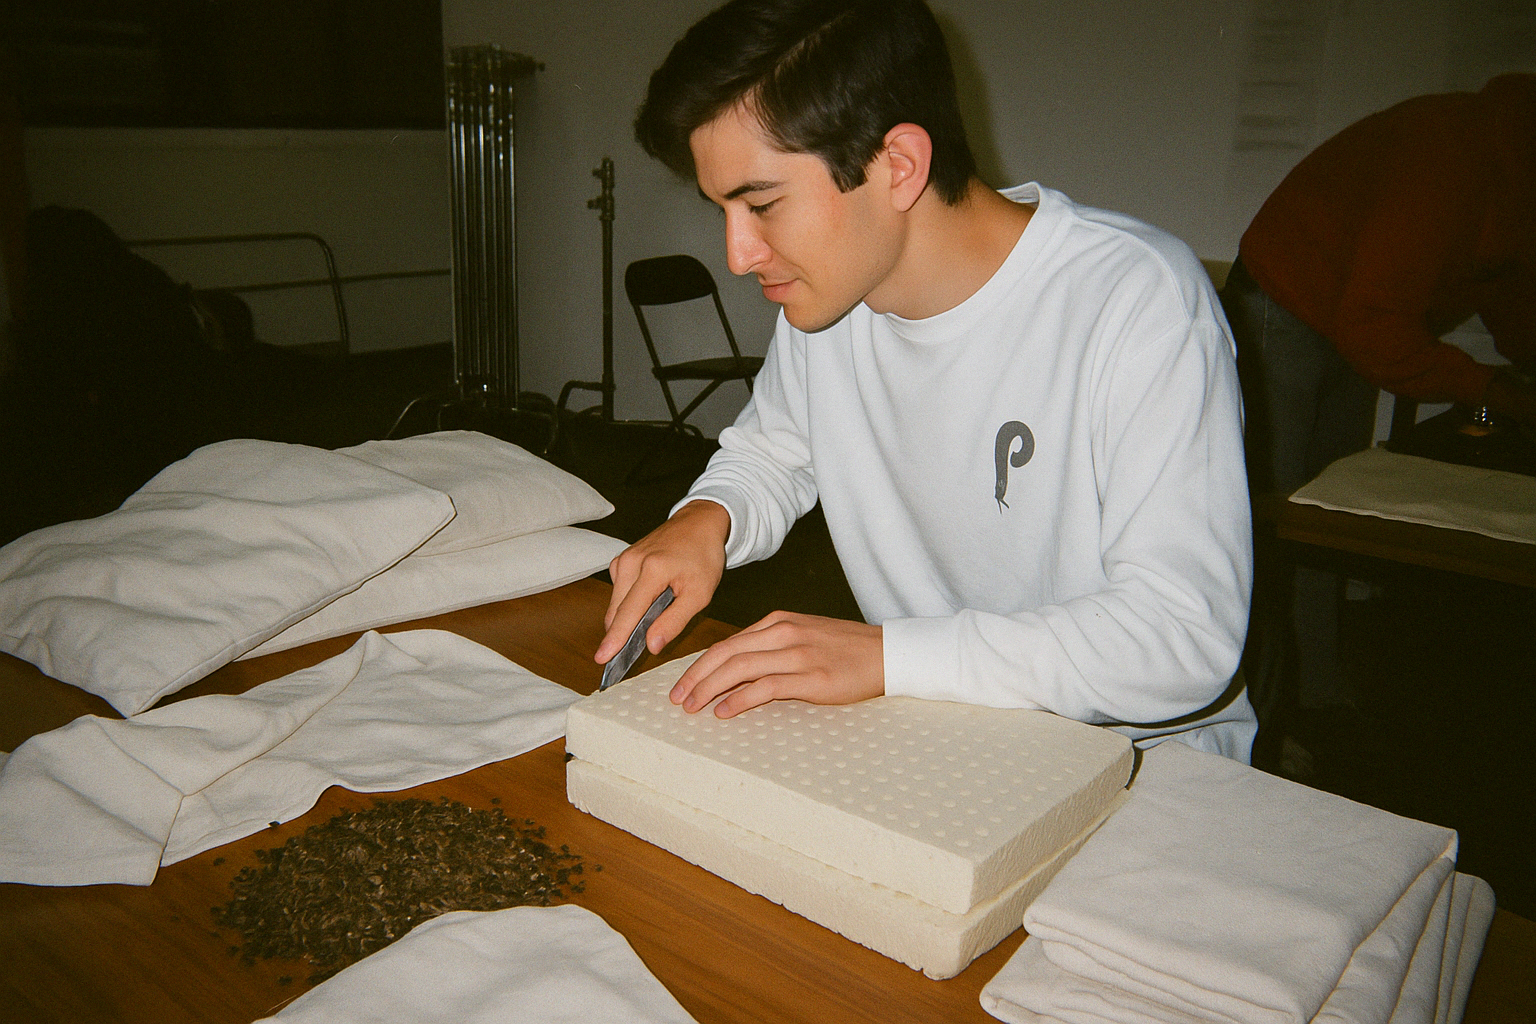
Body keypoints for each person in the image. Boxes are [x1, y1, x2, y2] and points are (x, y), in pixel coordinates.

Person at [598, 0, 1255, 759]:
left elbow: (1183, 639)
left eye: (763, 205)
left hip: (1146, 772)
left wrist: (888, 658)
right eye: (722, 209)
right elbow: (774, 450)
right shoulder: (830, 298)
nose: (738, 254)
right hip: (938, 733)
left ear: (899, 166)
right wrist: (705, 517)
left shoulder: (1136, 300)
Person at [1221, 74, 1536, 723]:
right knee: (1284, 526)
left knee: (1330, 520)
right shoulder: (1450, 152)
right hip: (1282, 307)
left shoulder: (1515, 169)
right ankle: (1275, 719)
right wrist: (1490, 387)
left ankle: (1322, 698)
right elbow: (1376, 325)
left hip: (1345, 321)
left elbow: (1512, 298)